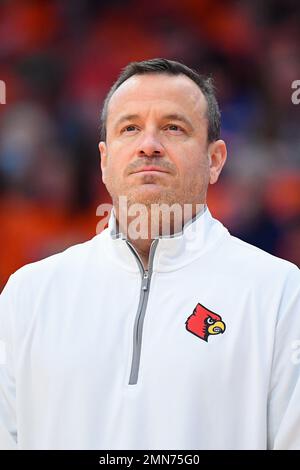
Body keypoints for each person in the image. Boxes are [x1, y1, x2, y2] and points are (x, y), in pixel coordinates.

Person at [0, 58, 300, 450]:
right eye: (130, 128)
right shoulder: (29, 295)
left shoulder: (280, 294)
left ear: (215, 160)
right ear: (105, 160)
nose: (149, 145)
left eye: (174, 128)